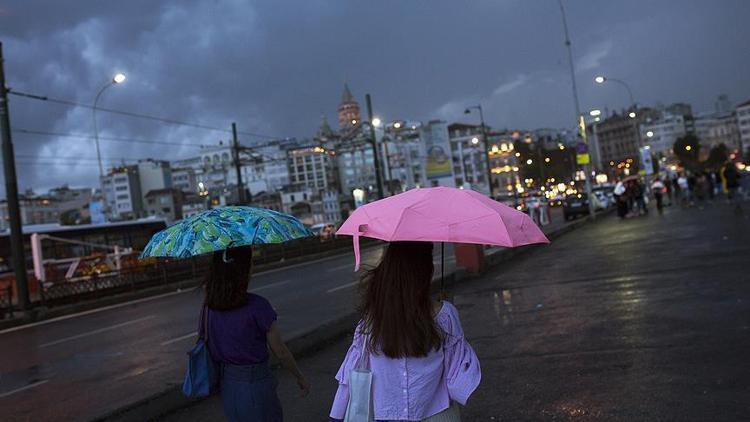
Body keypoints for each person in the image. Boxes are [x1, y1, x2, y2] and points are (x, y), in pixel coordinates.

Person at [330, 242, 480, 421]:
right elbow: (458, 381)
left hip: (386, 415)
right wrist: (446, 311)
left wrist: (336, 415)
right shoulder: (444, 316)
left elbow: (351, 372)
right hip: (437, 414)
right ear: (425, 271)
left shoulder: (371, 322)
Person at [203, 245, 310, 422]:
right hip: (255, 384)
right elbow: (280, 351)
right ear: (243, 270)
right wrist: (299, 377)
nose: (253, 267)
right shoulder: (257, 306)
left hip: (228, 386)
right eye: (251, 263)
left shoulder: (209, 307)